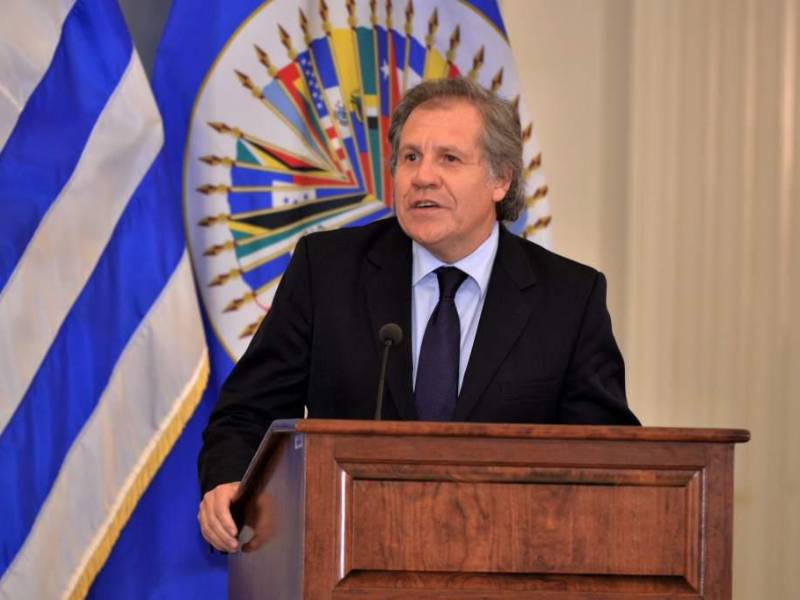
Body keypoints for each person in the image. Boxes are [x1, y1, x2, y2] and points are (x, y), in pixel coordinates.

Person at [197, 77, 639, 551]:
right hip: (347, 554)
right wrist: (229, 482)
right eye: (410, 157)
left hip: (510, 558)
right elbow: (249, 413)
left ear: (501, 180)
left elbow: (605, 457)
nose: (423, 176)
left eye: (449, 158)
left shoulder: (568, 298)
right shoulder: (326, 271)